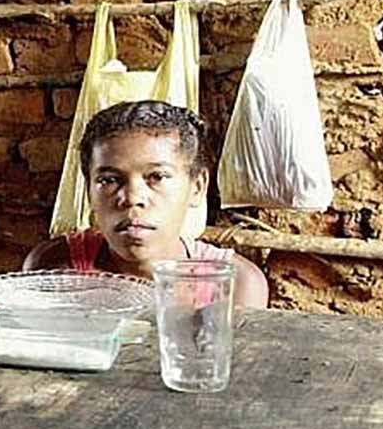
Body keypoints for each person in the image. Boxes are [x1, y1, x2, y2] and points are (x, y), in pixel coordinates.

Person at [24, 100, 268, 308]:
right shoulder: (54, 269)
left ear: (197, 186)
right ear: (88, 189)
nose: (132, 198)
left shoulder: (235, 285)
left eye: (157, 177)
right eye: (109, 180)